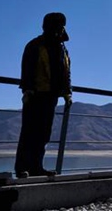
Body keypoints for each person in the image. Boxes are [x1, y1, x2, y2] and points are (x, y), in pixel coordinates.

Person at [15, 12, 72, 178]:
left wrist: (67, 93)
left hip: (51, 96)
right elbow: (27, 68)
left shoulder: (62, 49)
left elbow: (66, 72)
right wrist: (27, 90)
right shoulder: (35, 45)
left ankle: (36, 167)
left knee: (44, 133)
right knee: (29, 132)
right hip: (35, 95)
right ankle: (22, 168)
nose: (59, 29)